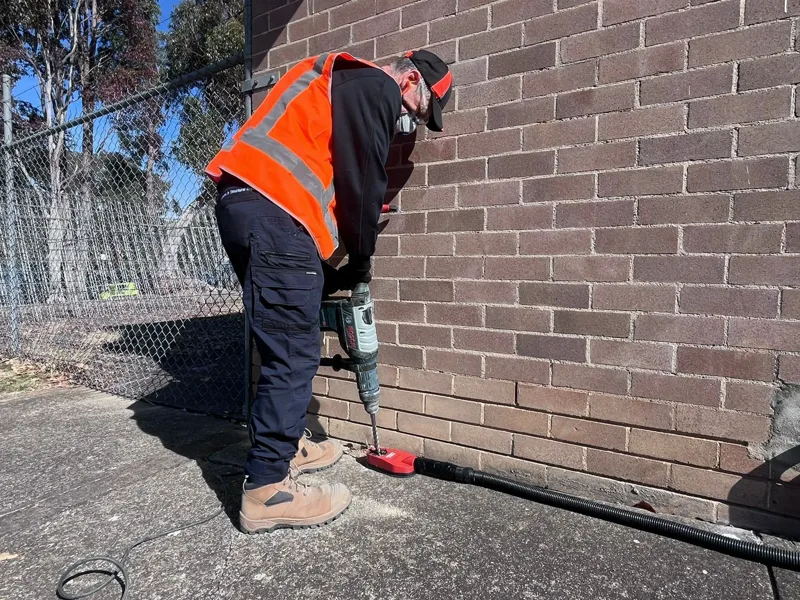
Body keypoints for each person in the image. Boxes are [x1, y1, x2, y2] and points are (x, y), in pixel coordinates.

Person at [204, 49, 453, 534]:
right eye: (415, 113)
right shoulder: (377, 87)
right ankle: (268, 489)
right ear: (408, 82)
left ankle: (287, 444)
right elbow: (364, 182)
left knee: (280, 339)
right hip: (276, 212)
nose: (408, 124)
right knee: (294, 353)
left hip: (247, 204)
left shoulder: (334, 80)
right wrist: (361, 260)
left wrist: (326, 272)